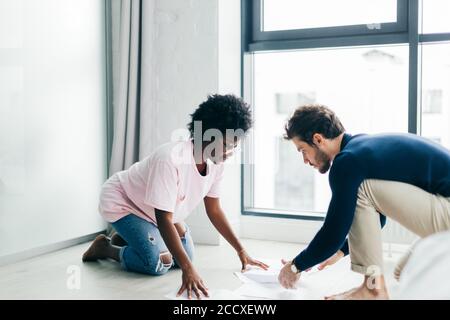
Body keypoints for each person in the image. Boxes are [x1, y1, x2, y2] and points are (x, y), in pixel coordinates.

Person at [82, 94, 268, 299]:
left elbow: (214, 210)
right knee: (157, 263)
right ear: (208, 135)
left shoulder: (217, 165)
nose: (231, 152)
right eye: (228, 144)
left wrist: (241, 251)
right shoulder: (170, 158)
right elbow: (164, 219)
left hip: (154, 210)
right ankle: (106, 248)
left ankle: (129, 236)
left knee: (185, 257)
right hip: (124, 201)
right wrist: (189, 270)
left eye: (235, 145)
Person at [277, 104, 450, 300]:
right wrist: (342, 251)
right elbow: (378, 219)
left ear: (318, 139)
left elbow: (333, 231)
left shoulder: (348, 161)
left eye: (302, 150)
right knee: (404, 272)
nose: (305, 160)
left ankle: (372, 289)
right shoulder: (360, 146)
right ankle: (376, 289)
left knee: (361, 188)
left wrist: (295, 266)